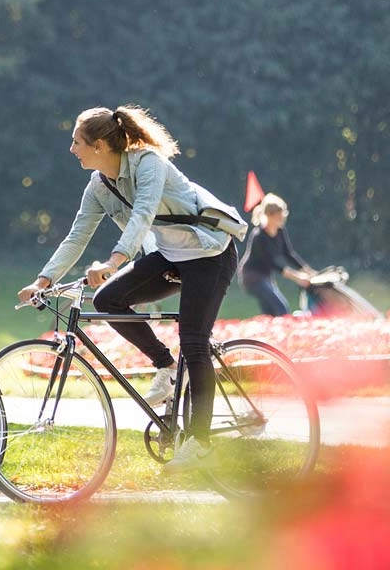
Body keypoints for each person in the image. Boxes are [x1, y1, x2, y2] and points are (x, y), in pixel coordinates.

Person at [17, 105, 240, 474]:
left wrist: (112, 262)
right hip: (171, 255)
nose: (72, 150)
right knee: (108, 300)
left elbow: (144, 214)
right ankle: (167, 368)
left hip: (209, 251)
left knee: (195, 340)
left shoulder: (147, 163)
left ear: (101, 145)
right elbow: (77, 236)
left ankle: (201, 443)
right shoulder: (99, 185)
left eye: (77, 142)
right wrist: (43, 281)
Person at [239, 193, 314, 317]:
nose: (281, 219)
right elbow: (272, 263)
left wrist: (308, 270)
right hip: (252, 278)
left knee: (270, 313)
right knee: (281, 308)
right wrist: (298, 277)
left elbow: (289, 254)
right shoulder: (258, 236)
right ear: (269, 216)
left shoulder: (280, 231)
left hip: (266, 277)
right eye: (279, 217)